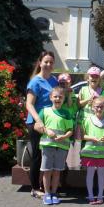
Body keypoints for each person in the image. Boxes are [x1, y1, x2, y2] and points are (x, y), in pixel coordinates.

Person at [25, 51, 58, 198]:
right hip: (36, 124)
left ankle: (48, 186)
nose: (48, 65)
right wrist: (38, 121)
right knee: (37, 156)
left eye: (51, 62)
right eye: (46, 62)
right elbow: (29, 104)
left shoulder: (54, 81)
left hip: (50, 124)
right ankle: (34, 188)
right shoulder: (35, 82)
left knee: (48, 155)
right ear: (40, 63)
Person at [34, 87, 74, 205]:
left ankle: (54, 193)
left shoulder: (67, 113)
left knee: (57, 171)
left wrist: (64, 137)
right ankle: (47, 194)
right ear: (51, 98)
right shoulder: (45, 111)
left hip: (61, 147)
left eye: (60, 97)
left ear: (64, 99)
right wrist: (46, 131)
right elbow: (37, 126)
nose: (58, 98)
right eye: (55, 96)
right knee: (47, 171)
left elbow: (70, 130)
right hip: (47, 146)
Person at [80, 96, 104, 205]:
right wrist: (92, 138)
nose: (99, 109)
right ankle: (90, 196)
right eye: (97, 107)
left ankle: (100, 196)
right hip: (89, 151)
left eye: (101, 107)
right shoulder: (87, 120)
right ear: (92, 107)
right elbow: (82, 136)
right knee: (90, 173)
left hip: (103, 153)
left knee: (101, 174)